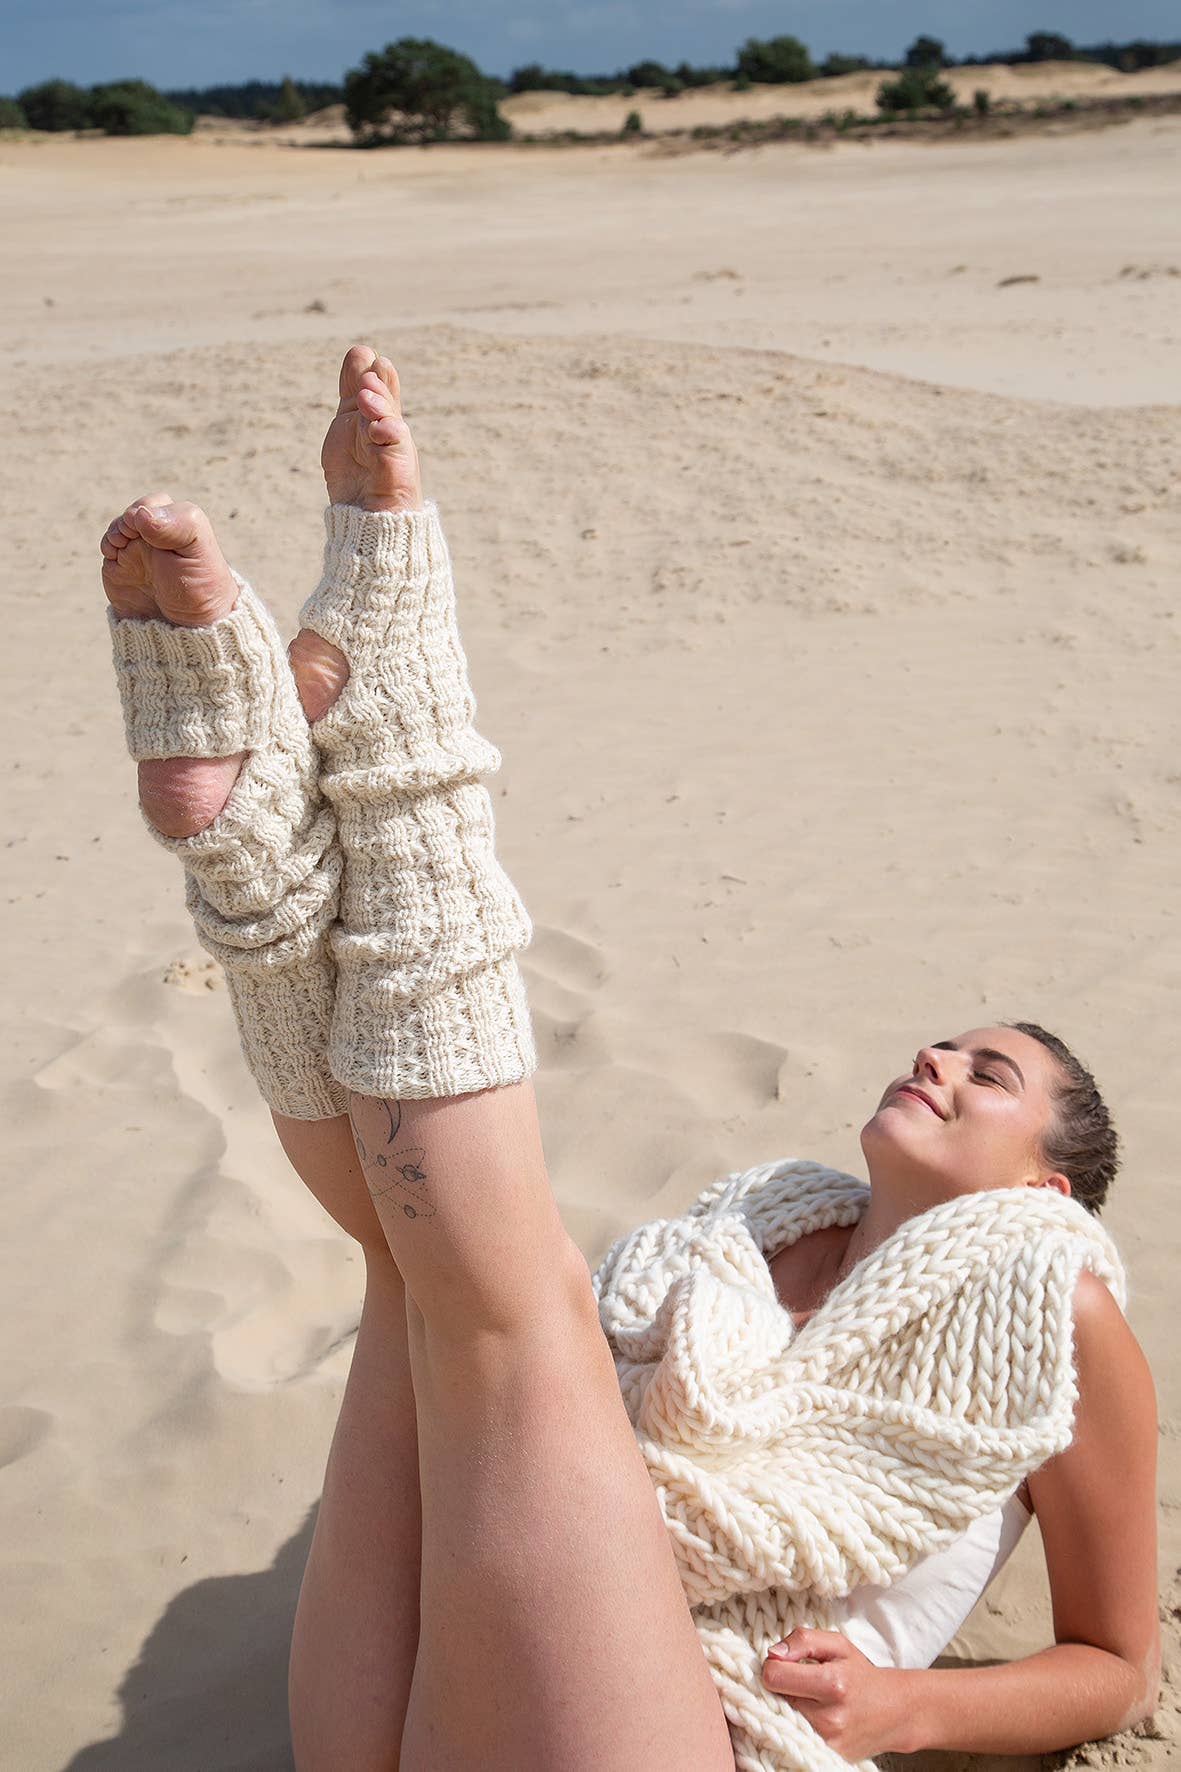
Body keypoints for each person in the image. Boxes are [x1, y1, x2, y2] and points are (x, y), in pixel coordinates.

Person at [102, 345, 1160, 1772]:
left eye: (994, 1077)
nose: (942, 1061)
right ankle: (262, 864)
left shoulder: (1056, 1305)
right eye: (950, 1042)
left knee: (508, 1310)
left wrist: (908, 1707)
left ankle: (384, 758)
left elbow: (1115, 1666)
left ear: (1046, 1186)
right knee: (419, 1284)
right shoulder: (754, 1231)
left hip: (712, 1726)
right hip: (528, 1659)